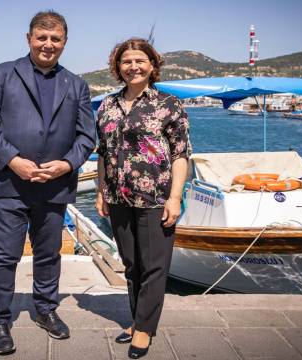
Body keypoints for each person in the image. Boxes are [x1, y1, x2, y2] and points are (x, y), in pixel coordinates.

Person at [0, 10, 95, 355]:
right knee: (3, 256)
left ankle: (46, 310)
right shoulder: (1, 74)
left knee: (48, 254)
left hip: (54, 186)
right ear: (29, 39)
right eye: (42, 37)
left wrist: (66, 164)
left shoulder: (77, 84)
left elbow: (87, 136)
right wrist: (13, 160)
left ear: (64, 43)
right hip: (5, 183)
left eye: (55, 39)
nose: (48, 44)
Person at [95, 38, 190, 359]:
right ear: (117, 67)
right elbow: (103, 153)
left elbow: (180, 154)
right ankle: (138, 320)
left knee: (154, 266)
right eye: (126, 62)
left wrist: (175, 197)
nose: (133, 66)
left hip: (155, 197)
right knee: (132, 264)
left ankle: (145, 329)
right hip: (118, 197)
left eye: (140, 61)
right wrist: (100, 191)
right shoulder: (107, 105)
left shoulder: (169, 104)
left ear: (152, 65)